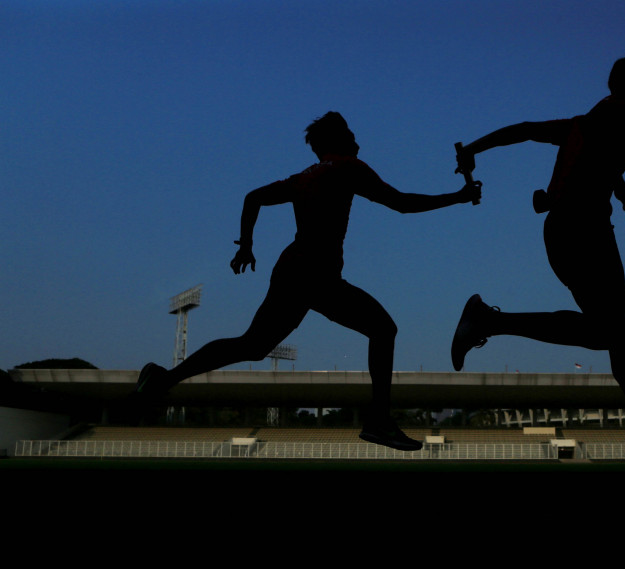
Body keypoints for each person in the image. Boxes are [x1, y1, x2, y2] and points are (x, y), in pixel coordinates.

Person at [134, 111, 481, 450]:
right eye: (352, 135)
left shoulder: (305, 176)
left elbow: (253, 198)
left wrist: (246, 245)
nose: (358, 141)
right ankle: (379, 421)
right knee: (383, 329)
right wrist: (458, 197)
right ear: (340, 141)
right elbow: (401, 203)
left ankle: (164, 378)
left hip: (292, 270)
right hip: (316, 275)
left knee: (252, 346)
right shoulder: (349, 168)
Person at [450, 54, 625, 468]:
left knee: (615, 334)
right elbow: (582, 150)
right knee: (614, 333)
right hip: (580, 231)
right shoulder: (617, 116)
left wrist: (475, 149)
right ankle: (488, 321)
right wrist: (618, 193)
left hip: (577, 230)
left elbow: (532, 133)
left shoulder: (597, 121)